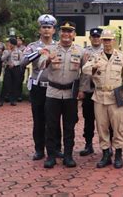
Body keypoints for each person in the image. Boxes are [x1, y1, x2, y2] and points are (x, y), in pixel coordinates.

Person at [82, 29, 123, 168]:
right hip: (99, 96)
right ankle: (106, 154)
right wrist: (94, 66)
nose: (106, 42)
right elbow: (85, 70)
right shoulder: (95, 56)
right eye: (104, 39)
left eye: (109, 39)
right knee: (102, 127)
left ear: (113, 41)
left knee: (118, 126)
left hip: (116, 96)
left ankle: (118, 155)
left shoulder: (122, 57)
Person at [38, 21, 85, 168]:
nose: (66, 34)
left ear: (74, 35)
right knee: (51, 126)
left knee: (69, 126)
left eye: (70, 31)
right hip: (53, 93)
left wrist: (82, 89)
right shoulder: (49, 48)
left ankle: (68, 156)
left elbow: (85, 72)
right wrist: (48, 59)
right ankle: (51, 156)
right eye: (64, 31)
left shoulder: (81, 51)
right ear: (59, 33)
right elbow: (40, 64)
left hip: (71, 94)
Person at [21, 14, 63, 161]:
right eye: (44, 27)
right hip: (38, 88)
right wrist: (37, 53)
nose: (46, 30)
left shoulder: (59, 46)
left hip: (54, 87)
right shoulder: (33, 46)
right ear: (39, 29)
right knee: (38, 119)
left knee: (55, 119)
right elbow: (22, 62)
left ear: (53, 30)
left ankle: (57, 148)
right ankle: (39, 149)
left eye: (49, 27)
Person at [78, 28, 104, 157]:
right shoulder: (84, 52)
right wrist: (81, 90)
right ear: (90, 38)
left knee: (105, 120)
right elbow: (82, 73)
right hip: (88, 90)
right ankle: (88, 145)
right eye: (93, 36)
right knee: (88, 119)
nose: (96, 38)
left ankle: (107, 147)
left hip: (102, 90)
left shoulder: (107, 51)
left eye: (98, 36)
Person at [0, 38, 23, 106]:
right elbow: (2, 59)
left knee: (15, 84)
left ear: (13, 44)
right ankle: (1, 100)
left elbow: (21, 61)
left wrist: (15, 64)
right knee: (6, 84)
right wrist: (9, 52)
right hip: (8, 69)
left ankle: (13, 100)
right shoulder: (6, 51)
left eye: (9, 43)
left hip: (16, 68)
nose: (8, 44)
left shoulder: (19, 52)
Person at [16, 35, 26, 102]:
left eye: (20, 41)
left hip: (21, 66)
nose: (18, 42)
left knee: (20, 80)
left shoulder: (25, 48)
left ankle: (19, 95)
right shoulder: (13, 47)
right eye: (17, 40)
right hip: (14, 66)